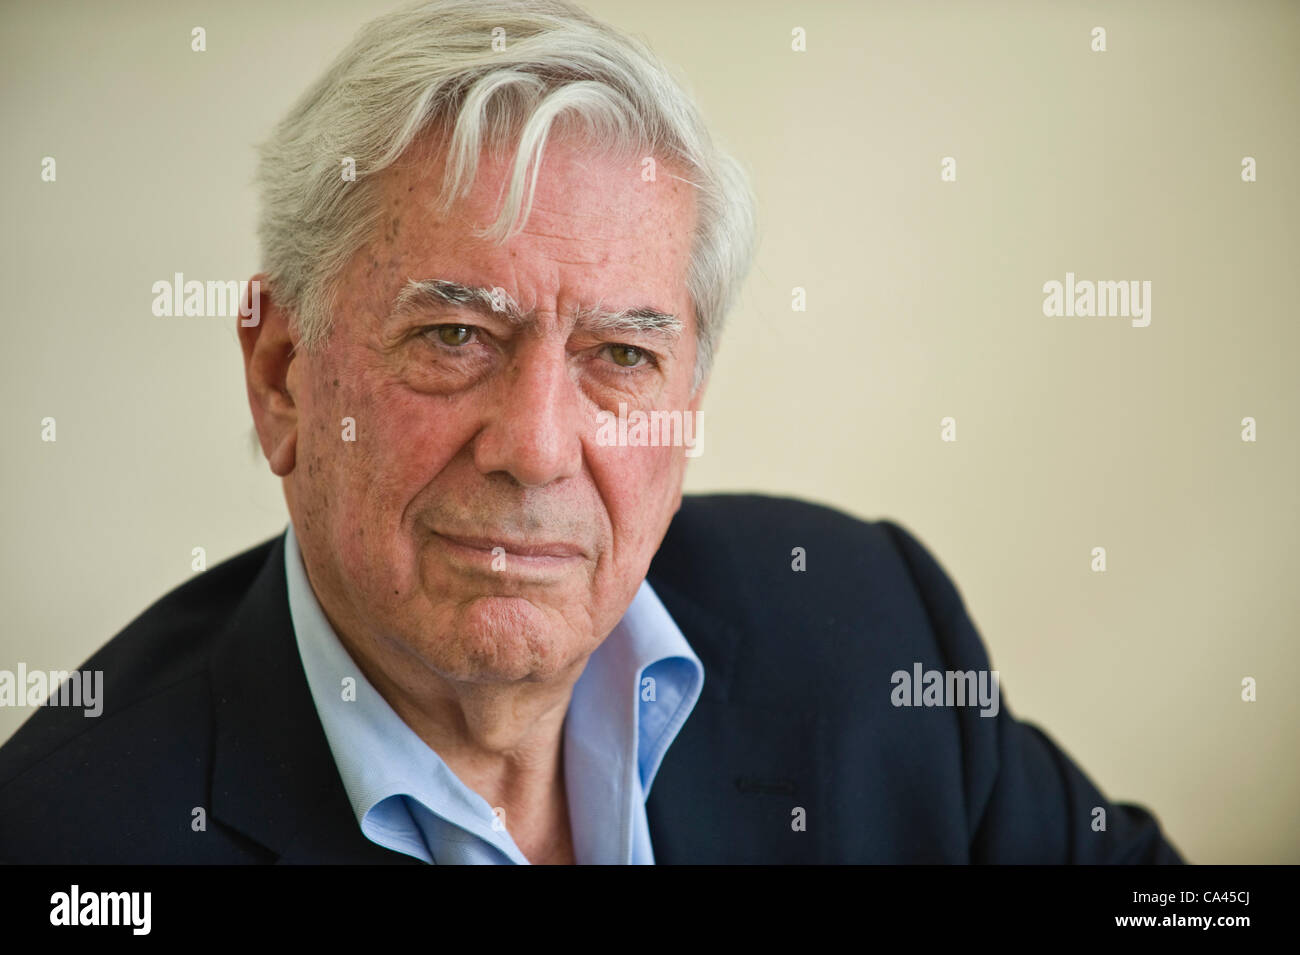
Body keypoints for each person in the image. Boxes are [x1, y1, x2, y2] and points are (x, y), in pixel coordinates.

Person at [0, 0, 1182, 864]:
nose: (537, 446)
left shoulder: (870, 630)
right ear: (281, 377)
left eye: (621, 356)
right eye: (455, 335)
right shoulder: (71, 843)